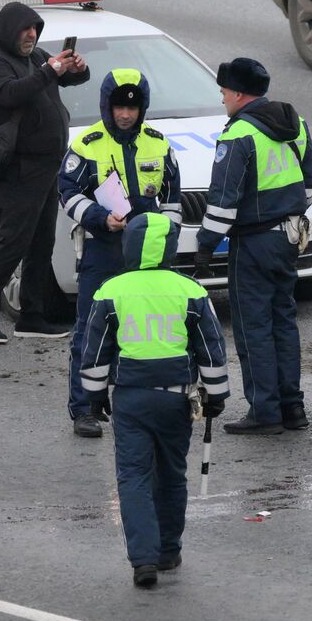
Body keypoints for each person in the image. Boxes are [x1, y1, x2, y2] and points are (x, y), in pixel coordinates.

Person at [81, 213, 230, 588]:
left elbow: (95, 351)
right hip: (176, 398)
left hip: (131, 398)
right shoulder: (190, 290)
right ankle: (168, 550)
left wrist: (94, 396)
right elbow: (211, 349)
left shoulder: (111, 290)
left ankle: (143, 559)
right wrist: (217, 395)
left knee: (133, 477)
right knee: (171, 474)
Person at [193, 58, 312, 436]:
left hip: (253, 244)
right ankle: (291, 407)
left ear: (237, 93)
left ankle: (265, 411)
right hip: (288, 238)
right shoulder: (293, 124)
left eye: (223, 93)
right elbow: (310, 184)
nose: (222, 100)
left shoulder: (237, 136)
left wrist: (204, 245)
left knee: (253, 326)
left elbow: (222, 204)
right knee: (284, 319)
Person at [60, 68, 181, 439]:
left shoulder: (158, 144)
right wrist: (100, 218)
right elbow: (67, 192)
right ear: (106, 106)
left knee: (146, 328)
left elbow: (173, 198)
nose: (125, 115)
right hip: (104, 248)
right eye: (118, 108)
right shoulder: (87, 144)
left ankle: (142, 398)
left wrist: (169, 242)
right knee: (91, 328)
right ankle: (86, 408)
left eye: (133, 108)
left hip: (148, 256)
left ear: (142, 108)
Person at [0, 1, 90, 345]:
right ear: (8, 31)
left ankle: (31, 315)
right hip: (18, 167)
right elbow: (11, 93)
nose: (31, 35)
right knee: (14, 240)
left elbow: (63, 79)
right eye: (24, 29)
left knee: (42, 240)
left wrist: (76, 68)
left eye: (35, 29)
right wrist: (50, 70)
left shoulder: (34, 58)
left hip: (47, 164)